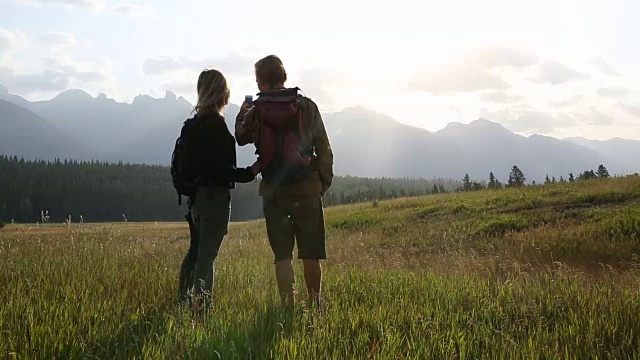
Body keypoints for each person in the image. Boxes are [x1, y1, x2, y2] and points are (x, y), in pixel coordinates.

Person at [235, 55, 334, 308]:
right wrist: (322, 183)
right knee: (311, 254)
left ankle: (288, 306)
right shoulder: (306, 106)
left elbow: (241, 138)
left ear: (261, 81)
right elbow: (324, 148)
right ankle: (315, 306)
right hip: (307, 190)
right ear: (283, 76)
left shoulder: (256, 110)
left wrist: (242, 113)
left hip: (274, 192)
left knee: (282, 256)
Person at [176, 69, 258, 311]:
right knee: (206, 257)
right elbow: (224, 172)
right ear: (222, 94)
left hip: (196, 201)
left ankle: (183, 300)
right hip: (215, 201)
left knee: (195, 252)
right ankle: (200, 308)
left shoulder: (190, 127)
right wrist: (252, 171)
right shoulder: (218, 129)